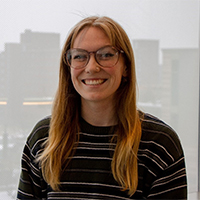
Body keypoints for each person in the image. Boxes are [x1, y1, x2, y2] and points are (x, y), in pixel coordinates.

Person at [17, 16, 187, 199]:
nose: (91, 67)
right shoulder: (44, 138)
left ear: (126, 67)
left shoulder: (159, 145)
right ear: (68, 66)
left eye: (106, 55)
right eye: (79, 56)